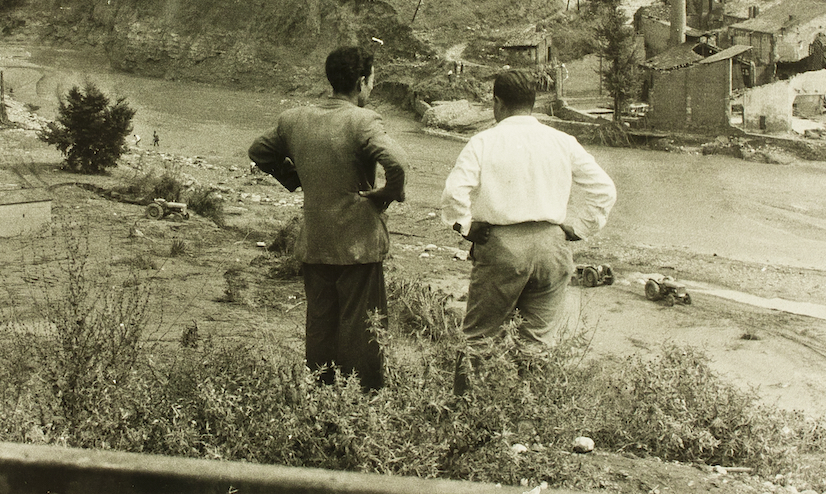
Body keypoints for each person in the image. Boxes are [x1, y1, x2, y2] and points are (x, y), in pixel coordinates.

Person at [441, 68, 616, 394]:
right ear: (533, 103)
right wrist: (577, 229)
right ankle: (527, 419)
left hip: (502, 248)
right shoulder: (563, 141)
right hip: (552, 248)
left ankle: (465, 414)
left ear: (497, 102)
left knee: (479, 339)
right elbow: (604, 191)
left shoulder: (483, 141)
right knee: (537, 342)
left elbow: (453, 195)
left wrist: (465, 226)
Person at [249, 45, 409, 391]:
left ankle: (322, 396)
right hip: (359, 244)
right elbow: (397, 163)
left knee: (321, 325)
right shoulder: (363, 120)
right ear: (361, 82)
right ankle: (362, 402)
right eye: (371, 81)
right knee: (363, 328)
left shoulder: (294, 118)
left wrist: (294, 179)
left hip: (316, 241)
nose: (371, 87)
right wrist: (387, 193)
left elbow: (259, 152)